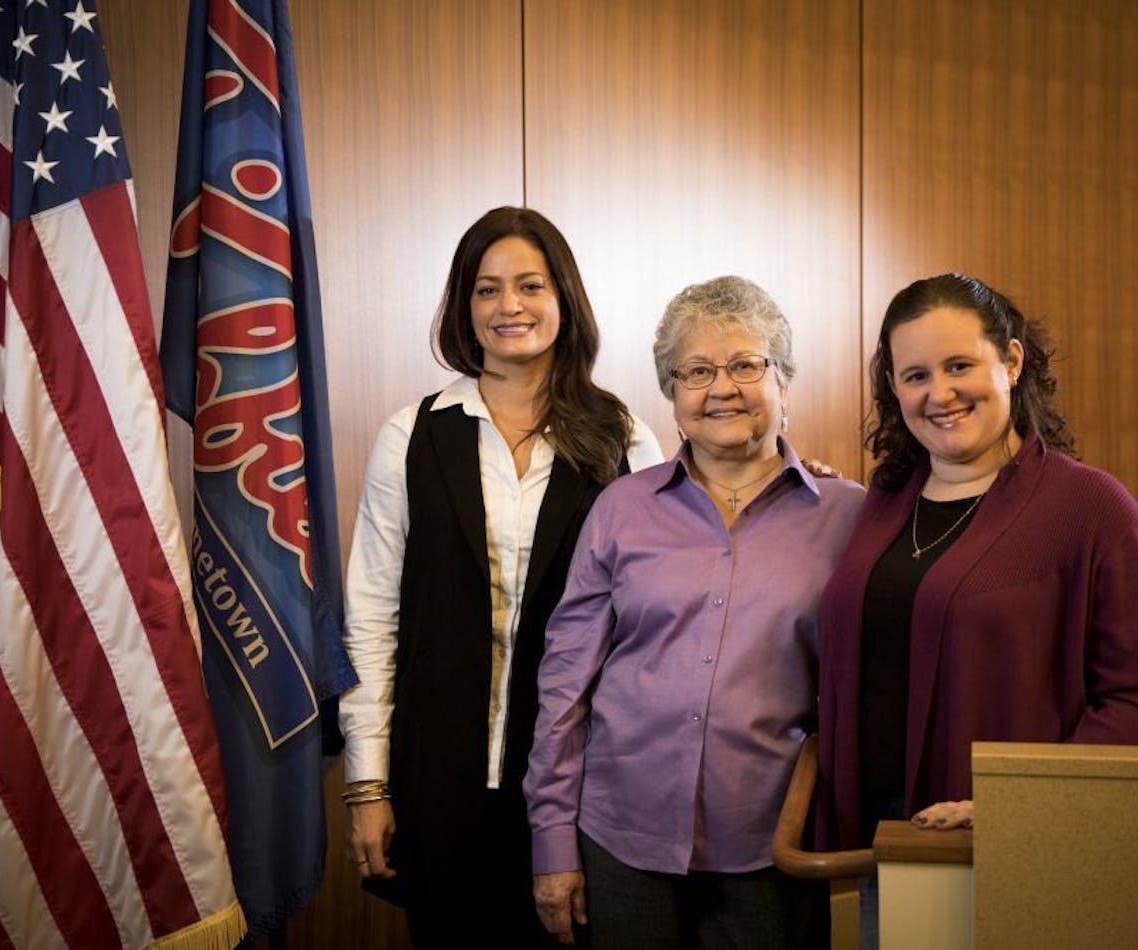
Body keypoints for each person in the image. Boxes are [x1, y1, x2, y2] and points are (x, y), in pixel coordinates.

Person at [815, 273, 1138, 944]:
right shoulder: (884, 501)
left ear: (1011, 362)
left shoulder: (1095, 511)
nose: (940, 394)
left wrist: (1016, 803)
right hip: (869, 844)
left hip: (1007, 855)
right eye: (915, 375)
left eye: (960, 366)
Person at [338, 207, 663, 948]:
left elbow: (663, 609)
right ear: (464, 305)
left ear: (564, 299)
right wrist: (368, 785)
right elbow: (372, 618)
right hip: (436, 786)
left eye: (529, 285)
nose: (508, 307)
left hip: (576, 790)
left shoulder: (624, 438)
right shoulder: (411, 435)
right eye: (487, 290)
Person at [525, 276, 866, 949]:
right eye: (697, 371)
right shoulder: (621, 508)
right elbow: (564, 689)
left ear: (784, 379)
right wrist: (552, 842)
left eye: (746, 365)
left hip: (773, 849)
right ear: (673, 392)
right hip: (621, 843)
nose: (722, 388)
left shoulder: (851, 516)